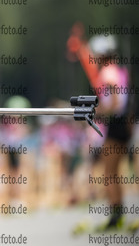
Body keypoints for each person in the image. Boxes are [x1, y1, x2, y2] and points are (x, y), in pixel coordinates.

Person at [67, 24, 134, 231]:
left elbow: (113, 102)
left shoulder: (108, 72)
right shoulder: (120, 70)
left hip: (115, 124)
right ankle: (118, 214)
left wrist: (98, 112)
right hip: (123, 124)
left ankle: (116, 216)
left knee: (109, 173)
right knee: (114, 173)